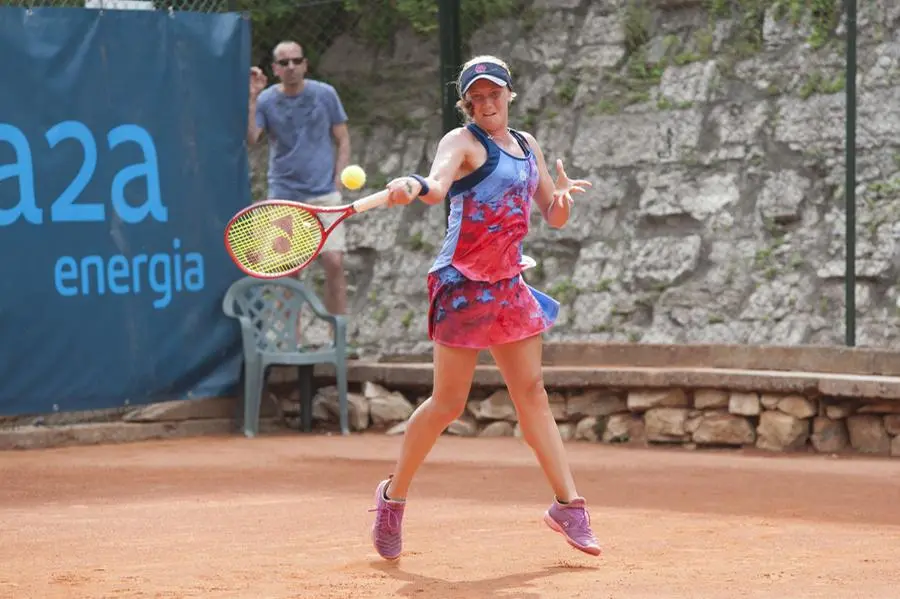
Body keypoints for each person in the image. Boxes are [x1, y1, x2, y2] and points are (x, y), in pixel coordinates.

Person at [368, 55, 601, 560]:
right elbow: (437, 189)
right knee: (448, 404)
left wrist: (560, 196)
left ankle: (568, 504)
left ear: (509, 95)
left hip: (509, 283)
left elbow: (553, 216)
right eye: (477, 95)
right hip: (462, 284)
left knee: (532, 392)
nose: (487, 102)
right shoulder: (461, 142)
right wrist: (414, 185)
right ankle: (393, 498)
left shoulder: (526, 145)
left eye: (495, 93)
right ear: (467, 102)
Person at [247, 41, 351, 316]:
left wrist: (338, 179)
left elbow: (342, 138)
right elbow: (251, 138)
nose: (291, 67)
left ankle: (338, 338)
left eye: (296, 61)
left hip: (324, 193)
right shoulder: (266, 100)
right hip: (284, 193)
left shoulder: (325, 94)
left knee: (334, 262)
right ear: (275, 69)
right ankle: (292, 343)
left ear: (305, 64)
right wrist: (253, 97)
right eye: (284, 63)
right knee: (288, 270)